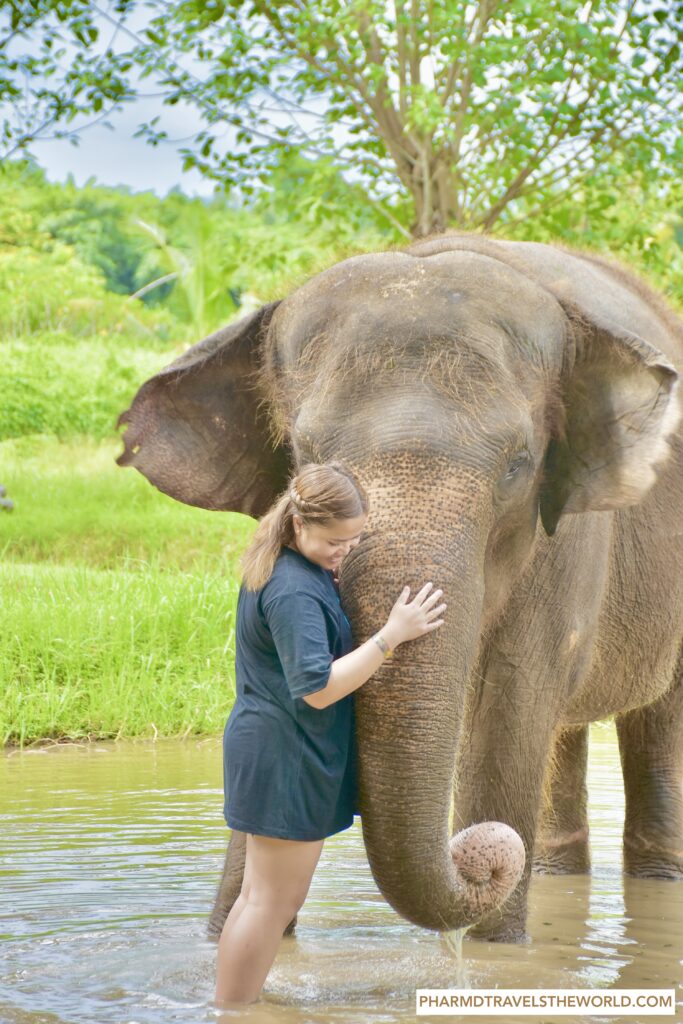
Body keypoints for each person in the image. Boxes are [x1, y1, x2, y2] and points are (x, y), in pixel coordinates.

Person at [214, 461, 447, 1006]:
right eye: (334, 540)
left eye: (354, 539)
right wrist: (393, 635)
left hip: (276, 747)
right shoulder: (294, 589)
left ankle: (231, 1005)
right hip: (284, 755)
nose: (344, 549)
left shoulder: (287, 563)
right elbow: (317, 688)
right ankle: (231, 1012)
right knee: (270, 902)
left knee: (261, 898)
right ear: (299, 524)